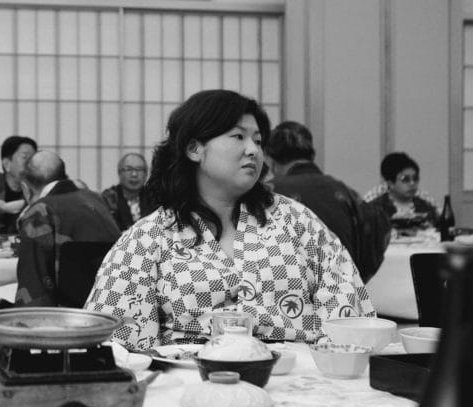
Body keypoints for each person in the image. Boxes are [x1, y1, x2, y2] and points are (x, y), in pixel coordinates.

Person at [85, 89, 373, 351]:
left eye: (258, 141)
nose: (254, 150)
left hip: (300, 383)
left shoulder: (297, 222)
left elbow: (348, 317)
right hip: (191, 387)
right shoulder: (148, 238)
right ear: (194, 148)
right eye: (238, 136)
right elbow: (119, 346)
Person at [266, 121, 390, 282]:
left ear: (271, 160)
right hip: (341, 295)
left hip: (286, 297)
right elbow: (377, 227)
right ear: (312, 155)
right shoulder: (344, 192)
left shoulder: (269, 193)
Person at [15, 152, 121, 307]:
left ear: (25, 188)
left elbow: (33, 286)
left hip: (68, 317)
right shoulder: (96, 199)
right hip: (111, 306)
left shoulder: (41, 211)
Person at [368, 153, 438, 225]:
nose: (412, 183)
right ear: (390, 183)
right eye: (405, 179)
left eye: (415, 178)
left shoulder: (426, 206)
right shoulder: (375, 209)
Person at [101, 153, 155, 231]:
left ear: (146, 174)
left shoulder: (154, 198)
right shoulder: (109, 198)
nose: (134, 174)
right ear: (119, 173)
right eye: (128, 169)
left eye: (139, 169)